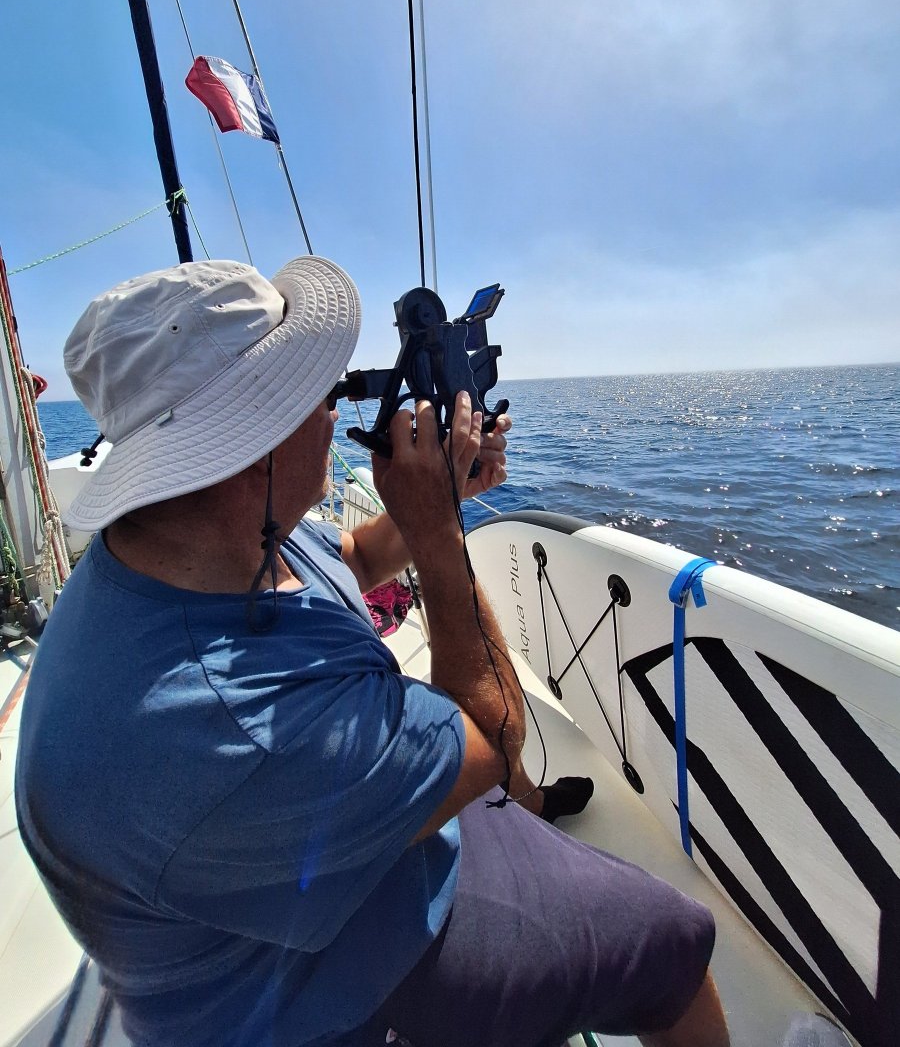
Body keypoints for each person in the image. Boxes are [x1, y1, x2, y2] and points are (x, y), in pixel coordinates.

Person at [16, 256, 726, 1047]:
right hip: (323, 993)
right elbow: (493, 735)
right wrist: (436, 533)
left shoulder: (187, 544)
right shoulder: (225, 717)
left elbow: (348, 556)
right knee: (677, 948)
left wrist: (440, 497)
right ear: (254, 448)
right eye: (314, 393)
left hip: (320, 875)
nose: (335, 406)